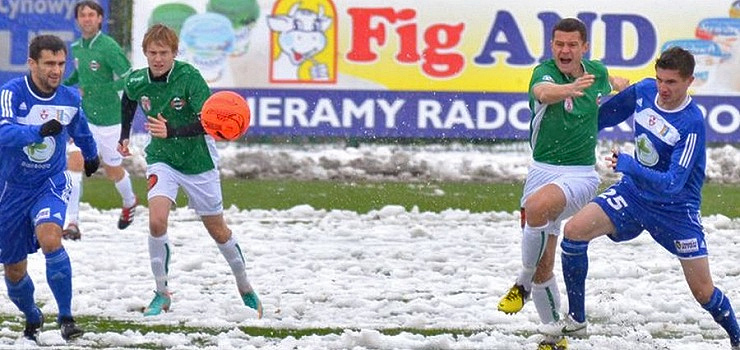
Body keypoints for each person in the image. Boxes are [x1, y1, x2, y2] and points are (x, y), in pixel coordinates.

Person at [541, 47, 740, 349]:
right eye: (660, 79)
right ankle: (577, 320)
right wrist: (566, 123)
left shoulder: (691, 123)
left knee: (703, 292)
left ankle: (737, 338)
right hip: (633, 194)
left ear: (689, 82)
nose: (663, 88)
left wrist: (631, 165)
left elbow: (673, 183)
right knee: (574, 232)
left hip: (675, 210)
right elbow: (602, 117)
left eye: (672, 82)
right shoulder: (645, 91)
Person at [496, 18, 628, 350]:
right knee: (544, 264)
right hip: (540, 172)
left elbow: (611, 80)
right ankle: (554, 334)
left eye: (572, 45)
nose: (564, 50)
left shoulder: (595, 71)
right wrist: (568, 89)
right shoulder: (544, 74)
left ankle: (521, 284)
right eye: (559, 44)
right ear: (552, 45)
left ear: (584, 47)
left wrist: (620, 83)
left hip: (580, 175)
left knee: (537, 207)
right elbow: (543, 92)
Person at [117, 24, 262, 318]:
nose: (158, 59)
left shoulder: (190, 78)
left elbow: (208, 123)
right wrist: (124, 135)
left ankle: (245, 287)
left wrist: (171, 130)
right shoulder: (137, 79)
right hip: (162, 159)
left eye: (164, 53)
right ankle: (161, 293)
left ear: (174, 53)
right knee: (157, 222)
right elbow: (129, 99)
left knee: (218, 230)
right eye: (152, 53)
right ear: (145, 53)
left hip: (198, 163)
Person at [0, 34, 100, 343]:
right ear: (32, 64)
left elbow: (79, 128)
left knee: (51, 238)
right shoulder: (11, 94)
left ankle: (66, 317)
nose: (56, 70)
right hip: (12, 189)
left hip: (51, 182)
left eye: (60, 63)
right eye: (48, 64)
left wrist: (91, 153)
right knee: (14, 270)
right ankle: (32, 315)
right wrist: (37, 131)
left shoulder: (69, 98)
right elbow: (3, 131)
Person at [62, 0, 138, 240]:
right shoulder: (76, 47)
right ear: (77, 20)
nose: (86, 19)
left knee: (112, 168)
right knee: (74, 163)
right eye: (82, 15)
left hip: (111, 119)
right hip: (85, 118)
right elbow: (79, 75)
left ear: (99, 19)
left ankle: (130, 201)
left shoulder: (108, 46)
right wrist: (62, 88)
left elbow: (129, 77)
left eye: (91, 14)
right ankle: (71, 222)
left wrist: (98, 90)